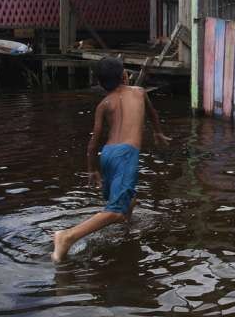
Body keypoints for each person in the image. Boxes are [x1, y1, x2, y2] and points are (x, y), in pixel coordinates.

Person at [52, 57, 171, 262]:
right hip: (127, 155)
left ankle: (128, 223)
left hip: (107, 154)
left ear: (99, 83)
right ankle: (67, 237)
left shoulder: (103, 104)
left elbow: (94, 141)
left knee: (123, 200)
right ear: (125, 75)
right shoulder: (140, 93)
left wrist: (92, 169)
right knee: (115, 212)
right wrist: (158, 133)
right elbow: (153, 114)